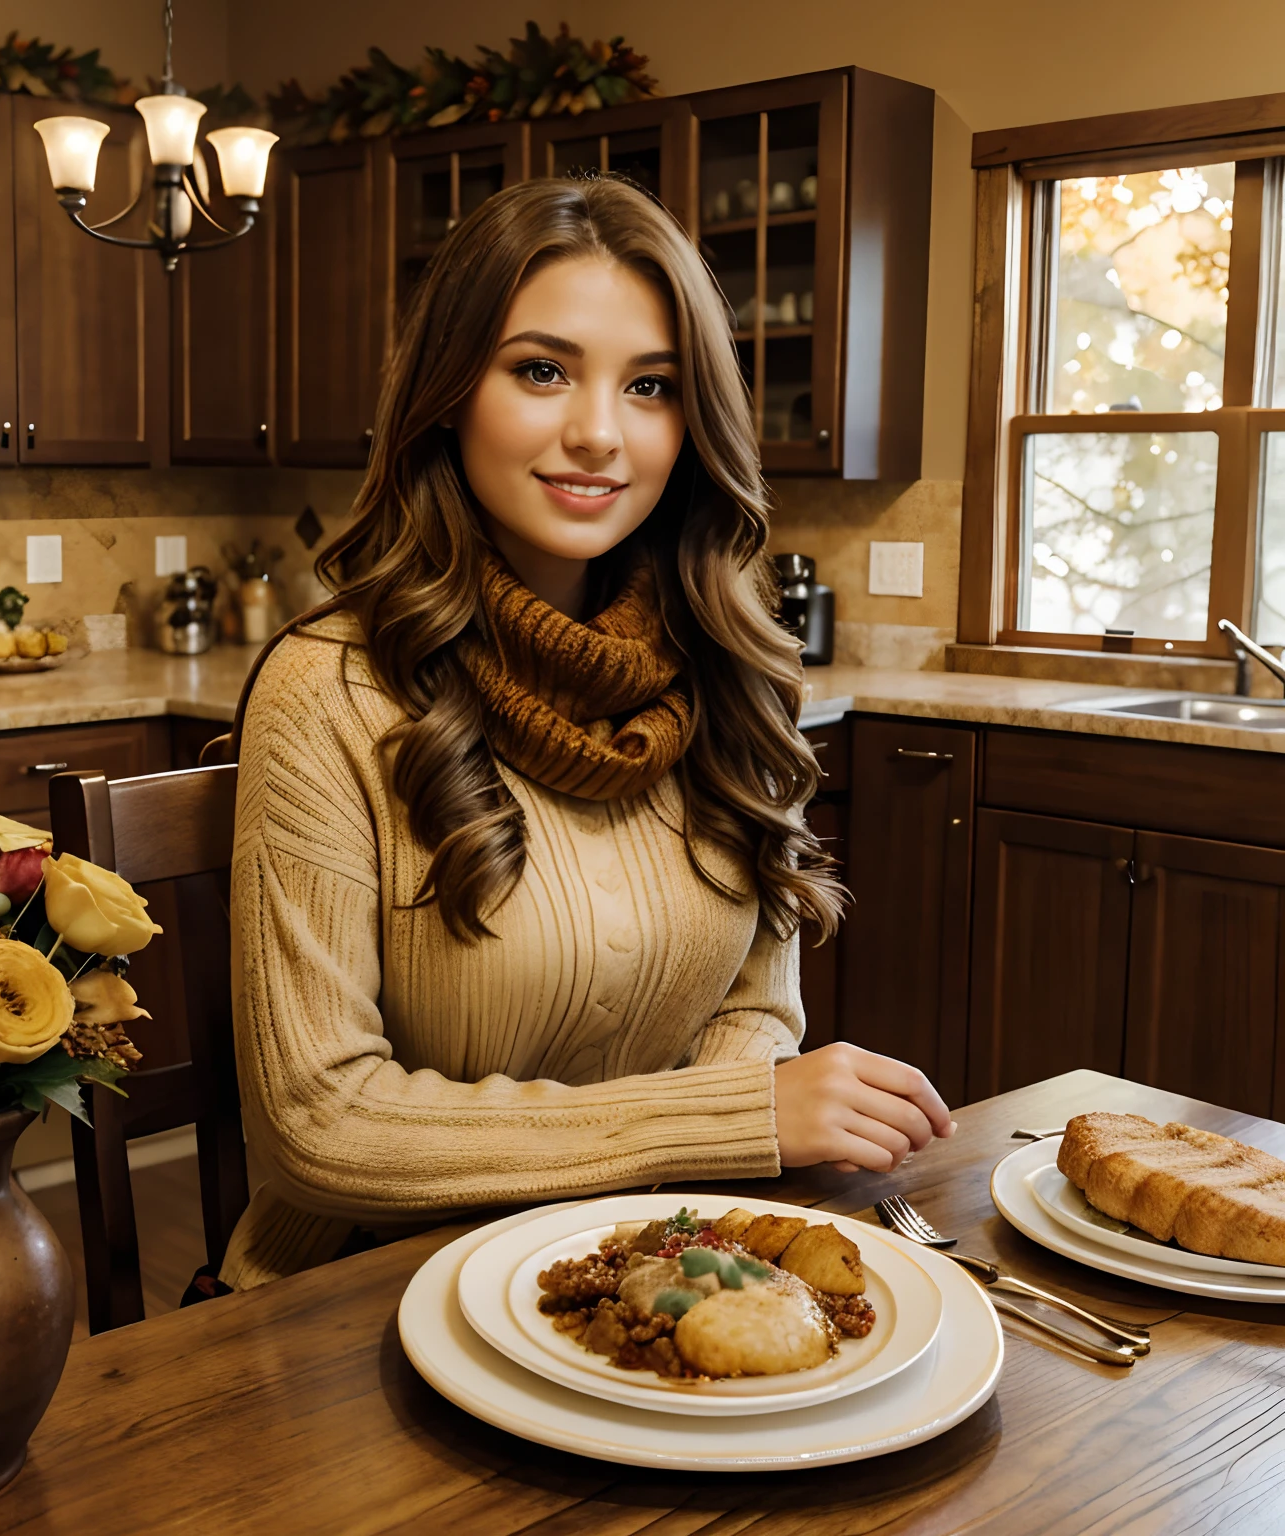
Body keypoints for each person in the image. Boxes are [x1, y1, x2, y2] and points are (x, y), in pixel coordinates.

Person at [217, 175, 952, 1290]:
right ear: (449, 390)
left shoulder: (739, 674)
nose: (598, 434)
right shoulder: (329, 691)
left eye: (651, 386)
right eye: (542, 370)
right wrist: (721, 1120)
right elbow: (318, 1127)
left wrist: (688, 1168)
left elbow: (754, 1012)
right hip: (358, 1310)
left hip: (641, 1274)